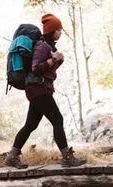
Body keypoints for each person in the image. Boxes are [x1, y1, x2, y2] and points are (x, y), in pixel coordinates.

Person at [5, 13, 87, 169]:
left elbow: (47, 70)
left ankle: (12, 157)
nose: (60, 32)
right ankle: (67, 158)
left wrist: (57, 60)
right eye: (58, 29)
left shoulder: (48, 46)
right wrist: (54, 59)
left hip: (39, 89)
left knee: (30, 125)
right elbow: (36, 69)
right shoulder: (43, 46)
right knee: (57, 119)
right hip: (38, 89)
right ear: (51, 30)